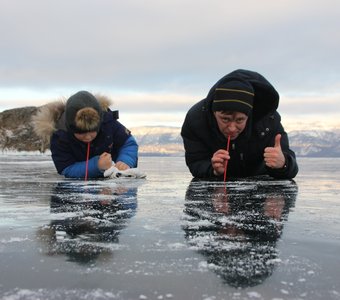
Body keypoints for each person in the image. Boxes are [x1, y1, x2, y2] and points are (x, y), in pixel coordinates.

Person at [181, 69, 298, 179]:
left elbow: (291, 166)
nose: (232, 128)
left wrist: (283, 163)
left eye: (239, 120)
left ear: (249, 115)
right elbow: (196, 162)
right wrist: (212, 169)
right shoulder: (196, 120)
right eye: (225, 119)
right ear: (214, 112)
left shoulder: (268, 120)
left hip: (260, 190)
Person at [33, 91, 138, 178]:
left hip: (114, 181)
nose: (87, 137)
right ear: (71, 129)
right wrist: (97, 165)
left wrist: (125, 161)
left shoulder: (108, 123)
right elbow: (66, 168)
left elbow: (128, 143)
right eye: (81, 133)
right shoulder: (60, 136)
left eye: (92, 131)